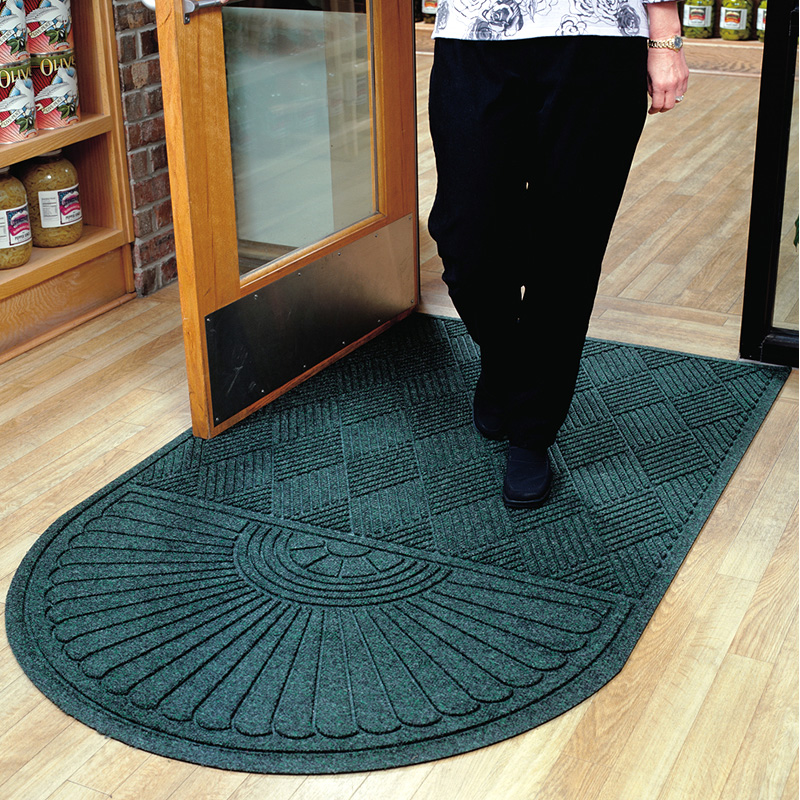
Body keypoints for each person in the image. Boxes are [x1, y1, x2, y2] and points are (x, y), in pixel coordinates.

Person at [427, 0, 689, 509]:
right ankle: (505, 360)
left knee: (569, 244)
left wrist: (665, 35)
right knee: (466, 238)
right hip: (474, 32)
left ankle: (533, 428)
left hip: (600, 36)